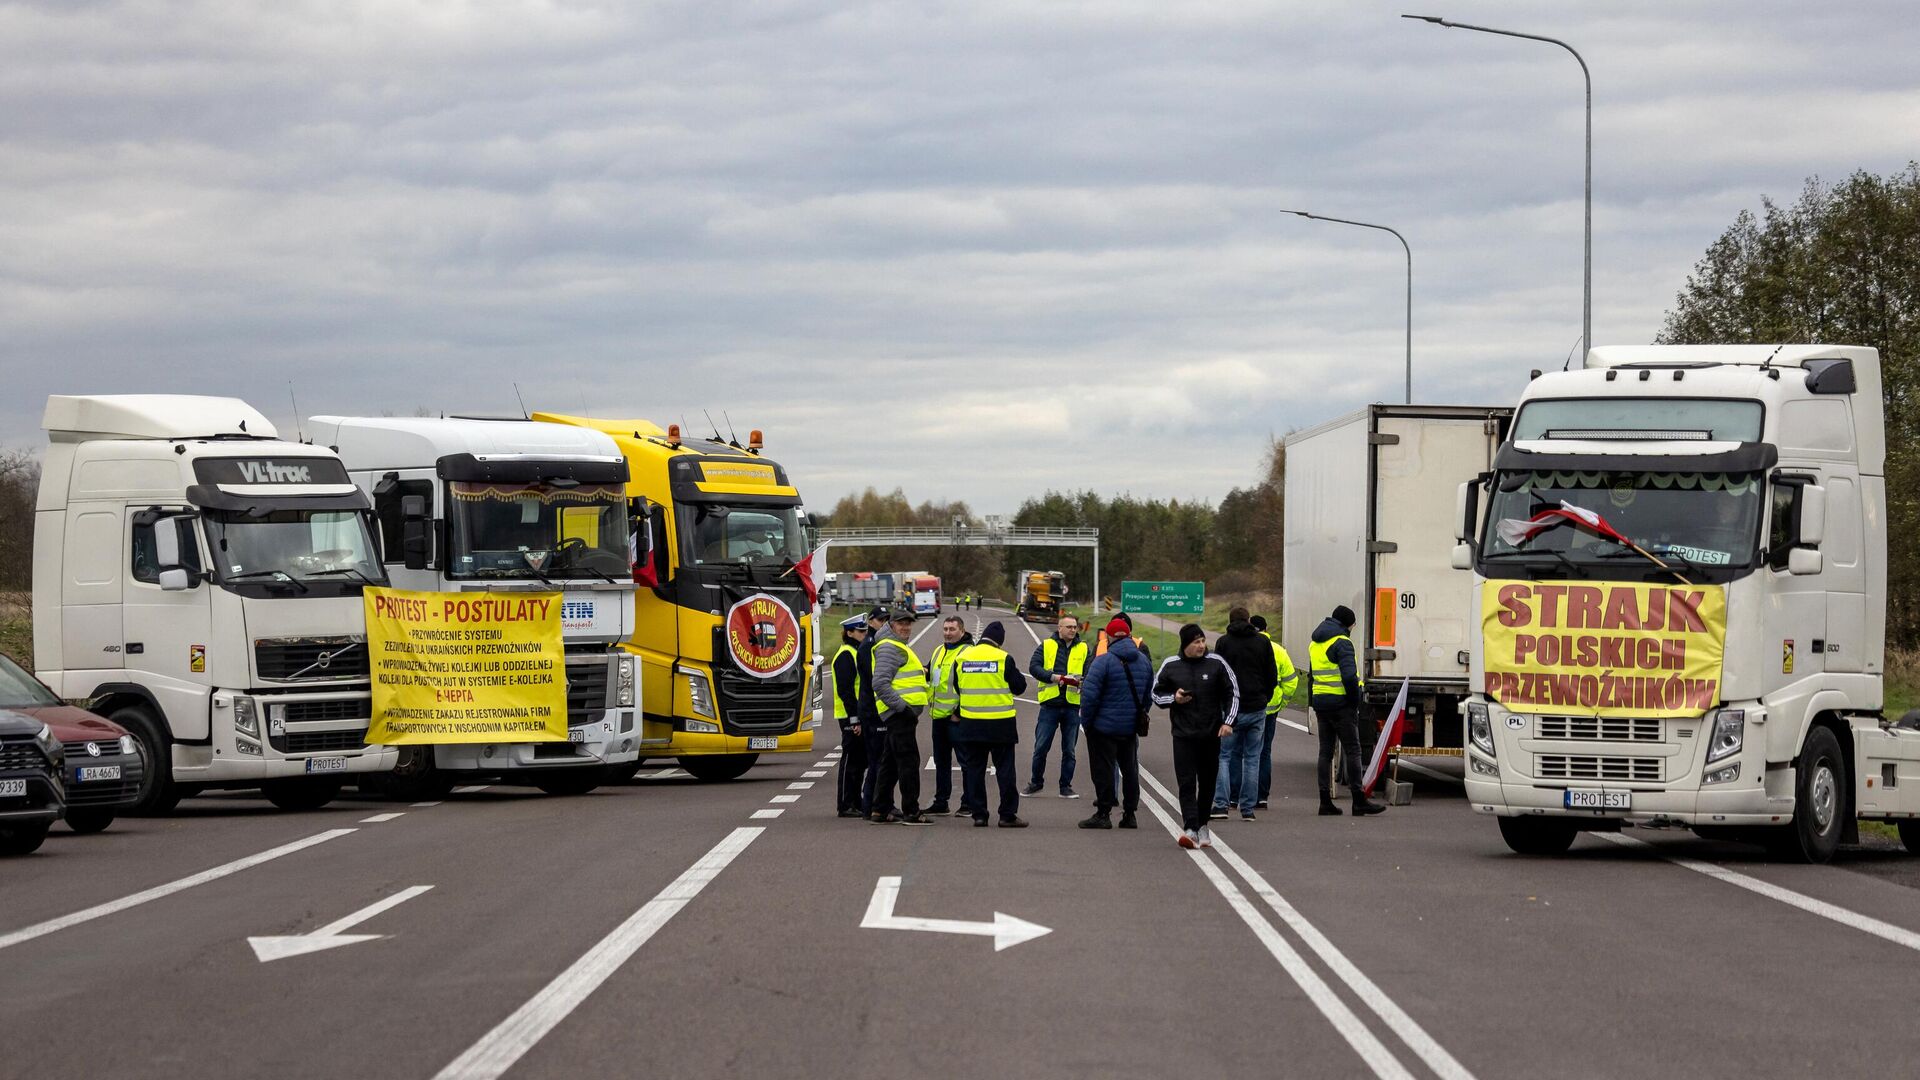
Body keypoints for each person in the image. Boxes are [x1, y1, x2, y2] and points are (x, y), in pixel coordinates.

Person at [1152, 624, 1238, 849]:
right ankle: (1190, 828)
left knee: (1208, 783)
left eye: (1202, 641)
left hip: (1210, 734)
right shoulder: (1171, 665)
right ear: (1185, 644)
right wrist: (1174, 698)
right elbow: (1155, 694)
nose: (1201, 646)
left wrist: (1228, 722)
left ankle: (1202, 825)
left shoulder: (1217, 663)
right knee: (1186, 782)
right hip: (1183, 735)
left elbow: (1233, 692)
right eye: (1196, 642)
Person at [1076, 615, 1152, 830]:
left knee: (1104, 770)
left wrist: (1087, 723)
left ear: (1108, 636)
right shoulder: (1143, 660)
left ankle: (1103, 813)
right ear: (1129, 635)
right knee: (1130, 770)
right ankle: (1130, 814)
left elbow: (1089, 696)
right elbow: (1147, 695)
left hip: (1103, 727)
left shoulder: (1103, 661)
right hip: (1129, 728)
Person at [1311, 605, 1386, 817]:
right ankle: (1358, 800)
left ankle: (1325, 801)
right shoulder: (1342, 643)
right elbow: (1349, 677)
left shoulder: (1315, 643)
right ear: (1347, 624)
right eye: (1353, 624)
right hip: (1341, 704)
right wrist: (1354, 702)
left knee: (1325, 752)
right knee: (1353, 750)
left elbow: (1313, 676)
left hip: (1321, 702)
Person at [953, 621, 1029, 828]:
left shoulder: (962, 658)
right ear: (999, 642)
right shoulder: (1003, 658)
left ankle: (979, 815)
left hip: (971, 725)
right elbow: (1020, 687)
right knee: (1005, 771)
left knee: (975, 771)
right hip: (1000, 725)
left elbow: (957, 687)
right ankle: (1007, 815)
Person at [1211, 607, 1278, 822]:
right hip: (1257, 706)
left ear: (1229, 621)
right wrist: (1264, 698)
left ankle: (1222, 804)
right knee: (1252, 758)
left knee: (1224, 756)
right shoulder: (1262, 642)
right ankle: (1248, 809)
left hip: (1231, 709)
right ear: (1248, 620)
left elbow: (1217, 674)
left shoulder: (1223, 643)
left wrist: (1221, 702)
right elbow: (1272, 675)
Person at [870, 608, 934, 824]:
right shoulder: (890, 647)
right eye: (901, 623)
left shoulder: (897, 646)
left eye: (909, 623)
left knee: (890, 762)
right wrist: (902, 708)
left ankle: (880, 809)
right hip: (899, 715)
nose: (906, 627)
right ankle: (911, 811)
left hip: (900, 715)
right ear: (891, 625)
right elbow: (879, 682)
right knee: (909, 762)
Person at [1025, 613, 1088, 799]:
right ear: (1059, 628)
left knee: (1069, 750)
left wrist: (1081, 680)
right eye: (1069, 627)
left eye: (1075, 627)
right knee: (1041, 747)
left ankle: (1065, 786)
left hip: (1071, 706)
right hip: (1050, 705)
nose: (1073, 630)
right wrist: (1053, 677)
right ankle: (1036, 782)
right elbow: (1034, 667)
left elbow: (1091, 669)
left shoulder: (1084, 648)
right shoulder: (1047, 645)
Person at [926, 614, 974, 816]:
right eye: (945, 629)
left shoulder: (968, 652)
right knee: (941, 761)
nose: (947, 633)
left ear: (962, 631)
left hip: (957, 719)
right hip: (938, 717)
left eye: (952, 629)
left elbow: (971, 686)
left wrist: (959, 712)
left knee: (966, 762)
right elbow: (931, 675)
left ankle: (968, 803)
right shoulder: (939, 650)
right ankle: (941, 802)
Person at [1251, 614, 1298, 809]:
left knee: (1246, 753)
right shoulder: (1278, 650)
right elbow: (1291, 681)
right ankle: (1262, 797)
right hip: (1271, 708)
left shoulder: (1247, 647)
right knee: (1264, 753)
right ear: (1266, 628)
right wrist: (1283, 702)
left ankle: (1239, 796)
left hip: (1250, 707)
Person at [832, 613, 872, 818]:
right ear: (849, 632)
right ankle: (846, 804)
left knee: (860, 761)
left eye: (865, 631)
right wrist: (854, 719)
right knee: (850, 762)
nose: (865, 634)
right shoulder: (846, 655)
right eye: (861, 631)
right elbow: (845, 690)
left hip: (858, 715)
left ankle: (856, 802)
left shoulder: (857, 652)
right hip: (850, 716)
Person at [857, 605, 888, 816]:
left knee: (882, 761)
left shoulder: (878, 643)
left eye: (887, 620)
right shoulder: (869, 646)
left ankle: (879, 804)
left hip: (876, 709)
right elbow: (874, 678)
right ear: (870, 621)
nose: (884, 624)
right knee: (878, 761)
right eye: (880, 620)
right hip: (873, 711)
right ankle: (872, 806)